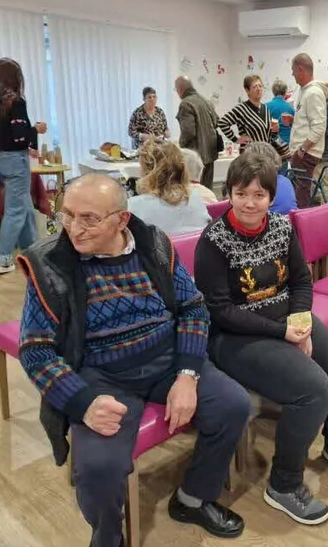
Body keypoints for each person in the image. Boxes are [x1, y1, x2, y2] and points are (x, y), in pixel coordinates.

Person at [16, 174, 251, 546]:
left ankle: (192, 498)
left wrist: (188, 374)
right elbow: (35, 350)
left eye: (89, 219)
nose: (75, 229)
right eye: (67, 216)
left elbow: (192, 308)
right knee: (97, 468)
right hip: (101, 376)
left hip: (167, 359)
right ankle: (109, 538)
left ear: (122, 220)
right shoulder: (50, 264)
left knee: (234, 406)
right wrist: (83, 402)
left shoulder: (153, 243)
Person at [194, 150, 328, 526]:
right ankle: (284, 485)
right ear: (230, 194)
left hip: (286, 318)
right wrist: (284, 332)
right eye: (241, 194)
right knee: (314, 389)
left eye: (259, 195)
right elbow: (220, 311)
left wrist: (301, 322)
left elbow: (301, 281)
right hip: (233, 336)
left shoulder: (281, 227)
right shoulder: (215, 240)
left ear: (272, 197)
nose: (250, 203)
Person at [0, 57, 48, 274]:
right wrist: (35, 129)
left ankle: (33, 252)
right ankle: (2, 258)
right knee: (16, 210)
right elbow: (19, 138)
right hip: (15, 160)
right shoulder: (16, 102)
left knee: (25, 206)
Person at [127, 140, 211, 235]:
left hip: (162, 249)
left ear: (147, 171)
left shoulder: (134, 206)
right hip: (195, 249)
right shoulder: (196, 198)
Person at [288, 53, 328, 208]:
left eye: (293, 71)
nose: (292, 75)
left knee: (301, 196)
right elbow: (309, 123)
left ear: (300, 69)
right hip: (303, 153)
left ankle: (300, 230)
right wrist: (293, 121)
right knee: (299, 194)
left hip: (305, 154)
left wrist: (302, 149)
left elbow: (319, 127)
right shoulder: (305, 91)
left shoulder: (313, 92)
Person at [216, 75, 287, 157]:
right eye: (254, 87)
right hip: (250, 156)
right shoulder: (241, 109)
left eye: (260, 86)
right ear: (247, 90)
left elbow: (269, 136)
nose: (259, 89)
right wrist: (236, 139)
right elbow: (222, 123)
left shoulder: (266, 108)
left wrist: (275, 130)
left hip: (265, 155)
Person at [175, 76, 220, 189]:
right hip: (211, 152)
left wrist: (180, 147)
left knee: (194, 191)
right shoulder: (206, 101)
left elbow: (189, 132)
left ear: (180, 89)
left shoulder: (185, 104)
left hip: (195, 156)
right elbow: (216, 121)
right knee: (207, 189)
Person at [265, 80, 295, 147]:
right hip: (287, 143)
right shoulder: (290, 108)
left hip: (271, 144)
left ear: (273, 91)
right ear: (285, 92)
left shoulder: (265, 107)